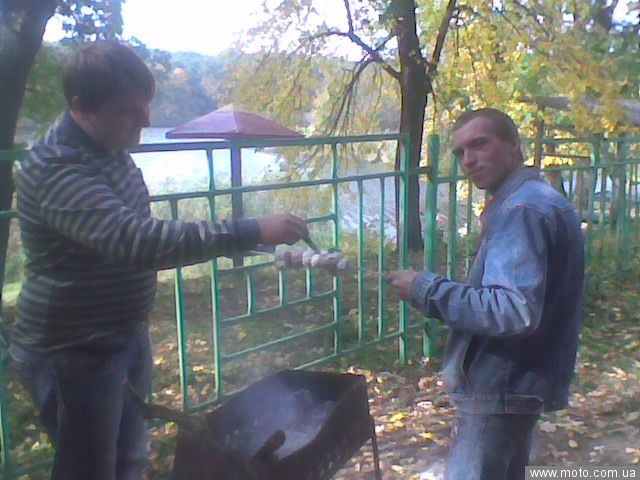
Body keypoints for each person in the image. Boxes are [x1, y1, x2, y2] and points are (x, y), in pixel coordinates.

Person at [9, 40, 308, 480]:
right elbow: (137, 240)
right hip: (75, 351)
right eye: (129, 111)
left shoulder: (106, 148)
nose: (146, 121)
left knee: (129, 458)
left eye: (145, 106)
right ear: (81, 106)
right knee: (90, 470)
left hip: (122, 337)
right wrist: (252, 230)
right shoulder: (57, 166)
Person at [386, 108, 584, 480]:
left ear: (513, 145)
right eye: (460, 152)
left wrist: (426, 289)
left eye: (479, 145)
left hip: (501, 386)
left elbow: (513, 310)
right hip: (517, 384)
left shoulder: (522, 210)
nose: (468, 160)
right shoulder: (536, 200)